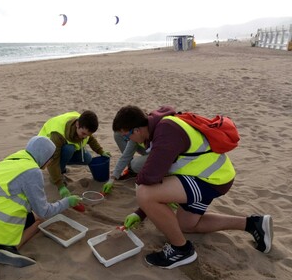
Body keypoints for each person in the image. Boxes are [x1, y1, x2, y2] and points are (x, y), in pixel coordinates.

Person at [112, 105, 273, 269]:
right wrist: (140, 213)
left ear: (137, 130)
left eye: (127, 137)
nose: (128, 141)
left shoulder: (165, 131)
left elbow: (150, 177)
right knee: (187, 225)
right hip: (213, 177)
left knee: (143, 192)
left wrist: (141, 208)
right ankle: (253, 224)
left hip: (210, 180)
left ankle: (180, 250)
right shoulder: (160, 128)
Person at [0, 136, 82, 268]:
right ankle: (9, 248)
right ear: (44, 157)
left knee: (27, 212)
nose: (50, 162)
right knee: (40, 220)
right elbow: (44, 211)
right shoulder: (33, 172)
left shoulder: (16, 157)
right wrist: (67, 202)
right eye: (50, 158)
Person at [38, 110, 110, 212]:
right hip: (47, 153)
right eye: (83, 133)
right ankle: (57, 174)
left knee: (87, 159)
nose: (84, 137)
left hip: (64, 148)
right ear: (77, 124)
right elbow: (53, 160)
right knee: (69, 149)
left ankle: (61, 167)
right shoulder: (57, 134)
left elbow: (91, 139)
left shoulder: (84, 125)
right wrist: (60, 186)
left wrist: (101, 151)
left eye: (87, 135)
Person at [102, 107, 175, 194]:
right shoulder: (139, 131)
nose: (127, 139)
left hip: (172, 159)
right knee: (118, 135)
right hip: (152, 150)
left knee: (136, 165)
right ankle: (133, 170)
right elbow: (126, 155)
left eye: (126, 136)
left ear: (136, 131)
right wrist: (113, 178)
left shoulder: (161, 133)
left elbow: (164, 161)